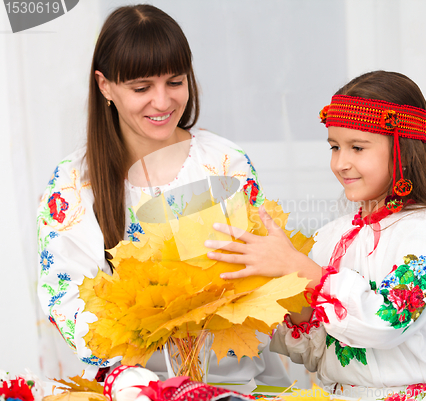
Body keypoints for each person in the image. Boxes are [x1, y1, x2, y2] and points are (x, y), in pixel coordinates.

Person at [36, 4, 290, 386]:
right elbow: (66, 300)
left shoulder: (224, 164)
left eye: (175, 82)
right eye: (142, 88)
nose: (163, 101)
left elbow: (264, 275)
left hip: (235, 384)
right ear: (105, 85)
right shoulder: (73, 183)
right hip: (134, 387)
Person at [206, 71, 426, 400]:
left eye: (357, 147)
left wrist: (302, 268)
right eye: (334, 147)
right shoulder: (332, 235)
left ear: (403, 149)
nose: (341, 162)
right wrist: (292, 290)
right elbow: (318, 354)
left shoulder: (423, 228)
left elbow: (387, 322)